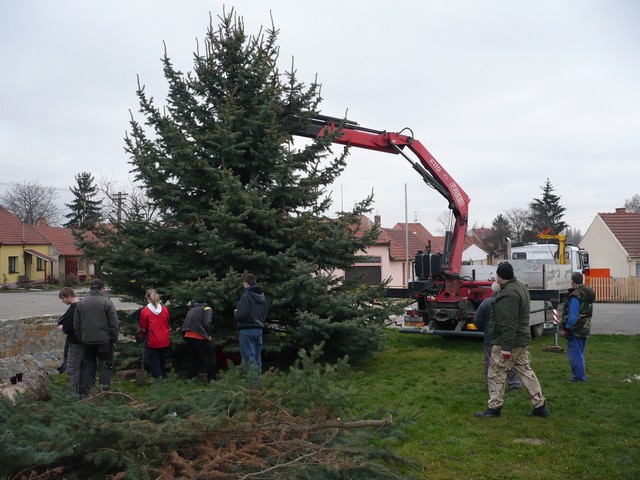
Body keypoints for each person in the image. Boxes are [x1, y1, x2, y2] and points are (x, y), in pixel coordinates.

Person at [475, 262, 550, 418]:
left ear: (500, 277)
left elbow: (509, 323)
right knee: (526, 372)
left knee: (495, 372)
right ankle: (540, 405)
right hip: (521, 339)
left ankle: (494, 408)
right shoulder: (520, 287)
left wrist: (505, 348)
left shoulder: (507, 295)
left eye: (496, 275)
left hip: (509, 341)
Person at [73, 279, 119, 395]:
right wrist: (113, 339)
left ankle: (87, 393)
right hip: (104, 341)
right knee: (105, 367)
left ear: (90, 289)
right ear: (102, 289)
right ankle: (104, 393)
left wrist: (81, 338)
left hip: (87, 341)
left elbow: (76, 324)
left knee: (88, 367)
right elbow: (113, 323)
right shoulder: (106, 302)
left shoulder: (81, 303)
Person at [474, 282, 521, 390]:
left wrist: (485, 330)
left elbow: (477, 321)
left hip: (491, 339)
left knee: (490, 362)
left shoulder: (486, 303)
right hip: (507, 338)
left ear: (492, 290)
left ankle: (492, 385)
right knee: (509, 360)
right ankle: (514, 383)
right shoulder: (509, 302)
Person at [560, 271, 596, 382]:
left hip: (575, 329)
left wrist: (567, 328)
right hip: (585, 326)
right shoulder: (587, 292)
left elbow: (573, 315)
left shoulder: (576, 295)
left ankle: (579, 377)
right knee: (580, 353)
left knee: (574, 355)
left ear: (573, 281)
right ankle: (580, 375)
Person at [234, 273, 268, 377]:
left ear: (245, 284)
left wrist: (236, 312)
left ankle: (251, 384)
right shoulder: (262, 297)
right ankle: (257, 382)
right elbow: (265, 313)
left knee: (248, 357)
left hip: (247, 329)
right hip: (259, 329)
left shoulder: (246, 296)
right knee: (257, 357)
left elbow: (242, 314)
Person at [181, 300, 218, 382]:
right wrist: (208, 335)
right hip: (198, 335)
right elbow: (206, 323)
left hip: (188, 335)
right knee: (210, 357)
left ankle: (191, 379)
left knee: (192, 358)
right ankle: (212, 379)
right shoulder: (207, 308)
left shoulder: (192, 309)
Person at [139, 288, 171, 380]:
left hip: (152, 340)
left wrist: (144, 337)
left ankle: (158, 379)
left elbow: (143, 328)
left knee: (154, 361)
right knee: (162, 359)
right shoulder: (164, 309)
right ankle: (164, 376)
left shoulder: (145, 312)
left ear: (146, 297)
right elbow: (167, 323)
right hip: (164, 339)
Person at [58, 287, 83, 393]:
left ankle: (72, 394)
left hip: (76, 342)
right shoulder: (83, 305)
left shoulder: (73, 309)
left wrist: (62, 328)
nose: (62, 301)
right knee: (83, 367)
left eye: (63, 298)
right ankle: (84, 390)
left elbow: (68, 328)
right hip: (86, 341)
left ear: (68, 296)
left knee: (72, 367)